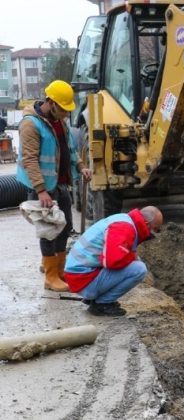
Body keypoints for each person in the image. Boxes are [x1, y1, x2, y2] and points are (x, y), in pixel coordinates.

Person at [16, 80, 92, 292]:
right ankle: (51, 276)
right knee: (49, 230)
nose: (66, 115)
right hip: (42, 187)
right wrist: (40, 190)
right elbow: (29, 159)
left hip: (60, 184)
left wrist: (81, 165)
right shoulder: (31, 124)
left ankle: (59, 269)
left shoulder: (60, 121)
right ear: (51, 102)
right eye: (63, 109)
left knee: (65, 226)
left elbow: (70, 147)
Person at [63, 206, 163, 316]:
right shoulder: (124, 228)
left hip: (79, 275)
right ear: (147, 224)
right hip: (82, 280)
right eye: (156, 229)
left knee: (134, 262)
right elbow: (112, 262)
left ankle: (96, 297)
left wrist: (131, 256)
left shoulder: (125, 219)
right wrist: (132, 256)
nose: (154, 233)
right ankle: (102, 304)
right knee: (139, 269)